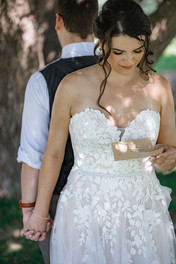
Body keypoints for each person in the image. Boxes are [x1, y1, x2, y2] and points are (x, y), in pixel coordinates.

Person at [23, 0, 176, 263]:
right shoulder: (72, 86)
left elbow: (168, 157)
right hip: (84, 209)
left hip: (141, 210)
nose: (129, 60)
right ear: (102, 42)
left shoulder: (159, 87)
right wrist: (39, 212)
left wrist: (169, 159)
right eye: (119, 52)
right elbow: (54, 154)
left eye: (137, 50)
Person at [18, 0, 98, 263]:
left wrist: (30, 211)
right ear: (97, 23)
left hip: (57, 204)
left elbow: (34, 156)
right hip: (113, 198)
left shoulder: (42, 80)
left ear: (58, 21)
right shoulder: (118, 74)